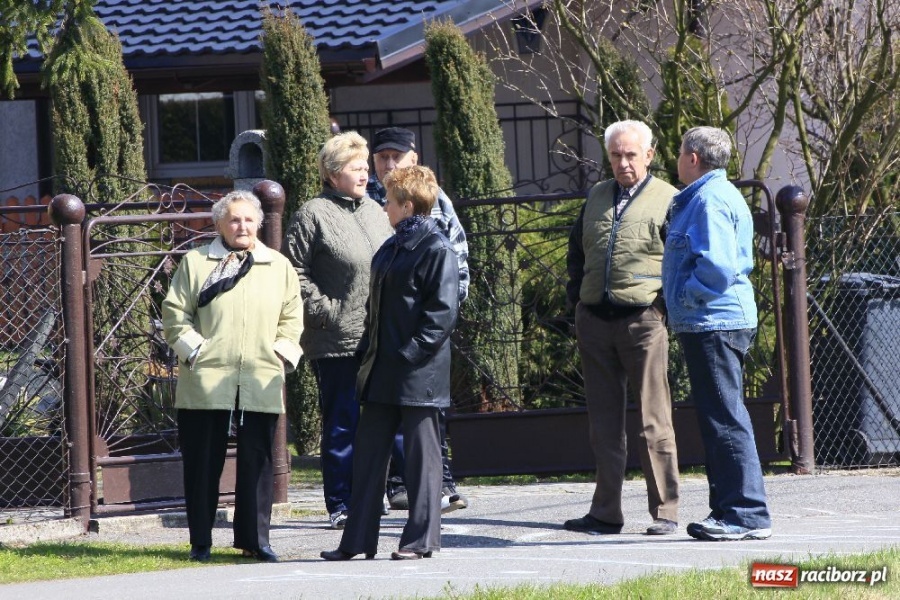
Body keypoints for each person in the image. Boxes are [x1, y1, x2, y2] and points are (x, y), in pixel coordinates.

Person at [321, 165, 460, 561]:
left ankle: (419, 541)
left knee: (422, 460)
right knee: (368, 457)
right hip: (383, 370)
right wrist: (368, 352)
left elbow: (442, 314)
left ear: (408, 205)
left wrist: (409, 354)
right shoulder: (391, 247)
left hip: (418, 373)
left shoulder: (436, 249)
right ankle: (356, 542)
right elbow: (376, 309)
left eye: (391, 201)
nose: (384, 207)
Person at [162, 190, 303, 563]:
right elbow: (175, 315)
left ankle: (255, 540)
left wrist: (280, 355)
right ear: (219, 225)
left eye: (249, 219)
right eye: (234, 220)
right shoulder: (196, 263)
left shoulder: (278, 266)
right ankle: (201, 541)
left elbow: (292, 318)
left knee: (258, 462)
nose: (242, 226)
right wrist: (197, 351)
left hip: (260, 376)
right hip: (207, 378)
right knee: (202, 462)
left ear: (259, 223)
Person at [564, 120, 681, 536]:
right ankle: (605, 512)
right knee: (603, 425)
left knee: (654, 421)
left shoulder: (669, 199)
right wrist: (578, 301)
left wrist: (660, 309)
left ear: (649, 155)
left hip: (643, 322)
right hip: (595, 321)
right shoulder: (596, 196)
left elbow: (679, 260)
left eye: (631, 154)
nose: (623, 163)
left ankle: (665, 511)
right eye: (615, 155)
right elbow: (576, 253)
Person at [662, 126, 772, 541]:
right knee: (720, 416)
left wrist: (683, 296)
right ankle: (728, 510)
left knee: (724, 418)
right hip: (715, 321)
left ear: (693, 158)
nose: (677, 159)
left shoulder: (708, 200)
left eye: (679, 152)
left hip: (714, 322)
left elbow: (717, 268)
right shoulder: (712, 195)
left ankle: (745, 514)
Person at [282, 131, 394, 529]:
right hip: (335, 339)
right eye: (355, 168)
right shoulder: (311, 214)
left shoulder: (376, 211)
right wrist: (325, 310)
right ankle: (341, 503)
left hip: (380, 336)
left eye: (365, 168)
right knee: (343, 422)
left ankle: (372, 495)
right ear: (332, 174)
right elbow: (293, 271)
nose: (365, 175)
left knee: (380, 422)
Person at [366, 126, 470, 513]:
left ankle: (438, 485)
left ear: (414, 157)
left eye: (397, 156)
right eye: (382, 157)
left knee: (427, 414)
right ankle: (396, 485)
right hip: (384, 330)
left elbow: (456, 257)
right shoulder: (367, 198)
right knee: (385, 415)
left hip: (423, 330)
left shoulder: (432, 198)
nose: (389, 163)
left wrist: (438, 321)